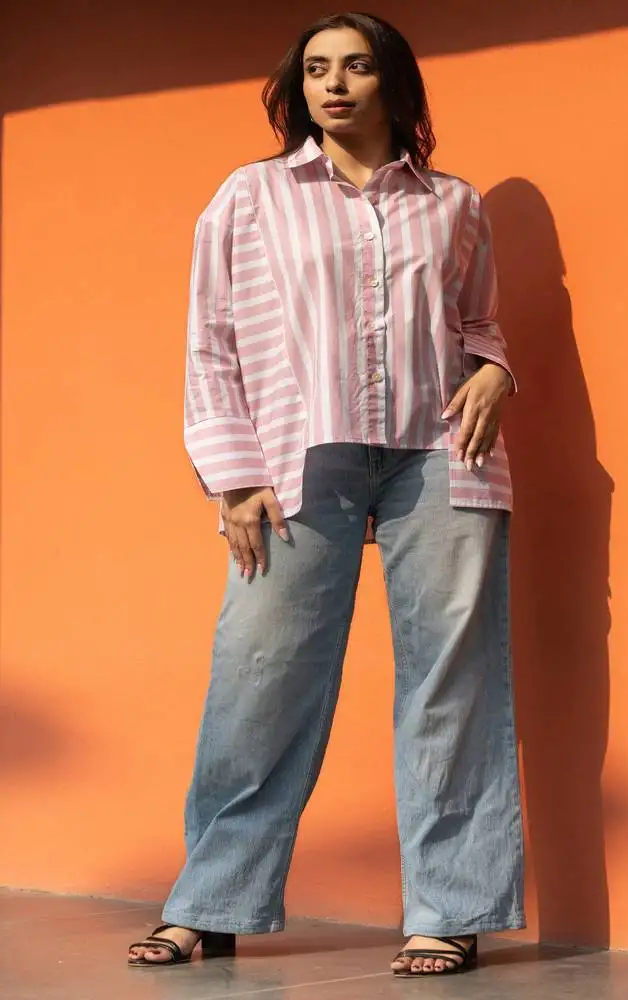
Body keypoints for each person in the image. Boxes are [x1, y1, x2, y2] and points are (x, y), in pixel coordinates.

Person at [127, 10, 525, 978]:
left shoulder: (452, 203)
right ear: (296, 88)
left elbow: (476, 321)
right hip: (298, 457)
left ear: (392, 82)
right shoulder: (250, 196)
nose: (333, 84)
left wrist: (494, 370)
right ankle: (210, 899)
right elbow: (208, 341)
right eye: (315, 70)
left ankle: (449, 906)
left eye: (353, 67)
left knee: (452, 682)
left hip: (440, 452)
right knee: (262, 675)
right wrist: (232, 476)